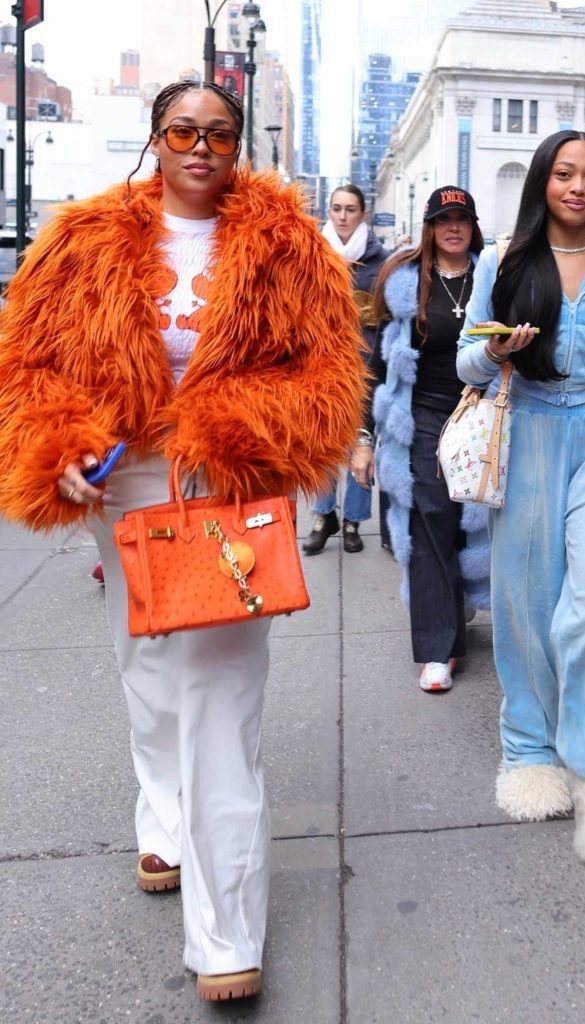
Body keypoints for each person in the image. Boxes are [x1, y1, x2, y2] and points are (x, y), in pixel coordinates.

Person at [0, 82, 365, 999]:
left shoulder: (290, 247)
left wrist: (236, 424)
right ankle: (161, 815)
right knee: (148, 668)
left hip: (229, 482)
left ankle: (226, 930)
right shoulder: (79, 243)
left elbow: (326, 374)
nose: (201, 147)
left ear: (238, 145)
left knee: (217, 697)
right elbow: (26, 364)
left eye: (219, 134)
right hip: (121, 482)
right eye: (182, 131)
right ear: (155, 139)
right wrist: (60, 447)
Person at [457, 130, 585, 876]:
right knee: (528, 603)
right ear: (543, 181)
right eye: (565, 174)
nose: (579, 188)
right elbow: (465, 355)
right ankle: (532, 750)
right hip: (527, 430)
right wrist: (496, 350)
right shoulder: (503, 258)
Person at [352, 187, 491, 692]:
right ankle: (439, 647)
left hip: (486, 417)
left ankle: (457, 603)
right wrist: (364, 437)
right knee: (431, 518)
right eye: (443, 218)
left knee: (469, 523)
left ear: (473, 225)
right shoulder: (405, 281)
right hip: (425, 417)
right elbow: (379, 364)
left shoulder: (493, 275)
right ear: (430, 226)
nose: (453, 226)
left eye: (462, 218)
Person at [302, 184, 388, 555]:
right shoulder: (311, 254)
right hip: (319, 363)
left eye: (350, 209)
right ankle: (323, 516)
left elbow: (389, 318)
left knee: (361, 440)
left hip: (365, 365)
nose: (342, 216)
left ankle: (353, 520)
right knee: (321, 441)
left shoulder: (381, 261)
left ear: (363, 214)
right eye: (336, 208)